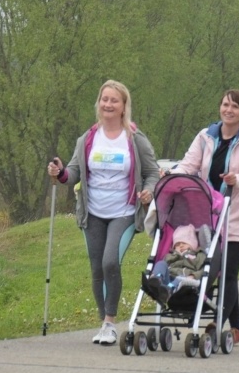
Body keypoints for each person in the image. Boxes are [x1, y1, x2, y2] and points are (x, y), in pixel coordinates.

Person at [48, 80, 159, 346]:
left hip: (124, 212)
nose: (108, 104)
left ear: (123, 107)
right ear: (99, 103)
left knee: (111, 262)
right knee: (97, 268)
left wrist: (149, 190)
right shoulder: (87, 139)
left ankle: (110, 322)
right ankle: (104, 323)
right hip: (93, 213)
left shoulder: (134, 138)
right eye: (104, 99)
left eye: (114, 101)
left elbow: (152, 171)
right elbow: (74, 171)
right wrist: (61, 173)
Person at [171, 89, 239, 345]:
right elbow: (189, 164)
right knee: (216, 270)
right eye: (225, 105)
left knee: (228, 271)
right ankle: (237, 328)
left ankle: (216, 324)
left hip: (237, 215)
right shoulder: (205, 136)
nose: (228, 110)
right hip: (208, 215)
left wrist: (237, 179)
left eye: (235, 106)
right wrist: (172, 175)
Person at [143, 223, 206, 304]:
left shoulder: (199, 255)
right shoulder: (171, 255)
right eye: (177, 244)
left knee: (179, 279)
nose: (181, 246)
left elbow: (203, 269)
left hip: (186, 280)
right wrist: (177, 255)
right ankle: (156, 279)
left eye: (184, 244)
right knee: (161, 263)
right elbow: (165, 265)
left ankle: (168, 290)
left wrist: (194, 276)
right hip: (168, 278)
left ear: (193, 244)